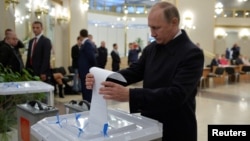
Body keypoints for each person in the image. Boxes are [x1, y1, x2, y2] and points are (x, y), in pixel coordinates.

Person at [86, 2, 204, 141]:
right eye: (150, 27)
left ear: (174, 22)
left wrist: (131, 95)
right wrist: (103, 78)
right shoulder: (152, 49)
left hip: (176, 128)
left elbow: (176, 95)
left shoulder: (191, 53)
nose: (152, 33)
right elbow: (134, 72)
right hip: (149, 124)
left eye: (156, 28)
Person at [78, 29, 97, 102]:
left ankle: (88, 105)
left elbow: (92, 58)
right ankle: (86, 103)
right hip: (84, 71)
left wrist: (93, 70)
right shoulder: (85, 43)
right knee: (84, 90)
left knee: (87, 90)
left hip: (86, 71)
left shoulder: (87, 43)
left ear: (80, 35)